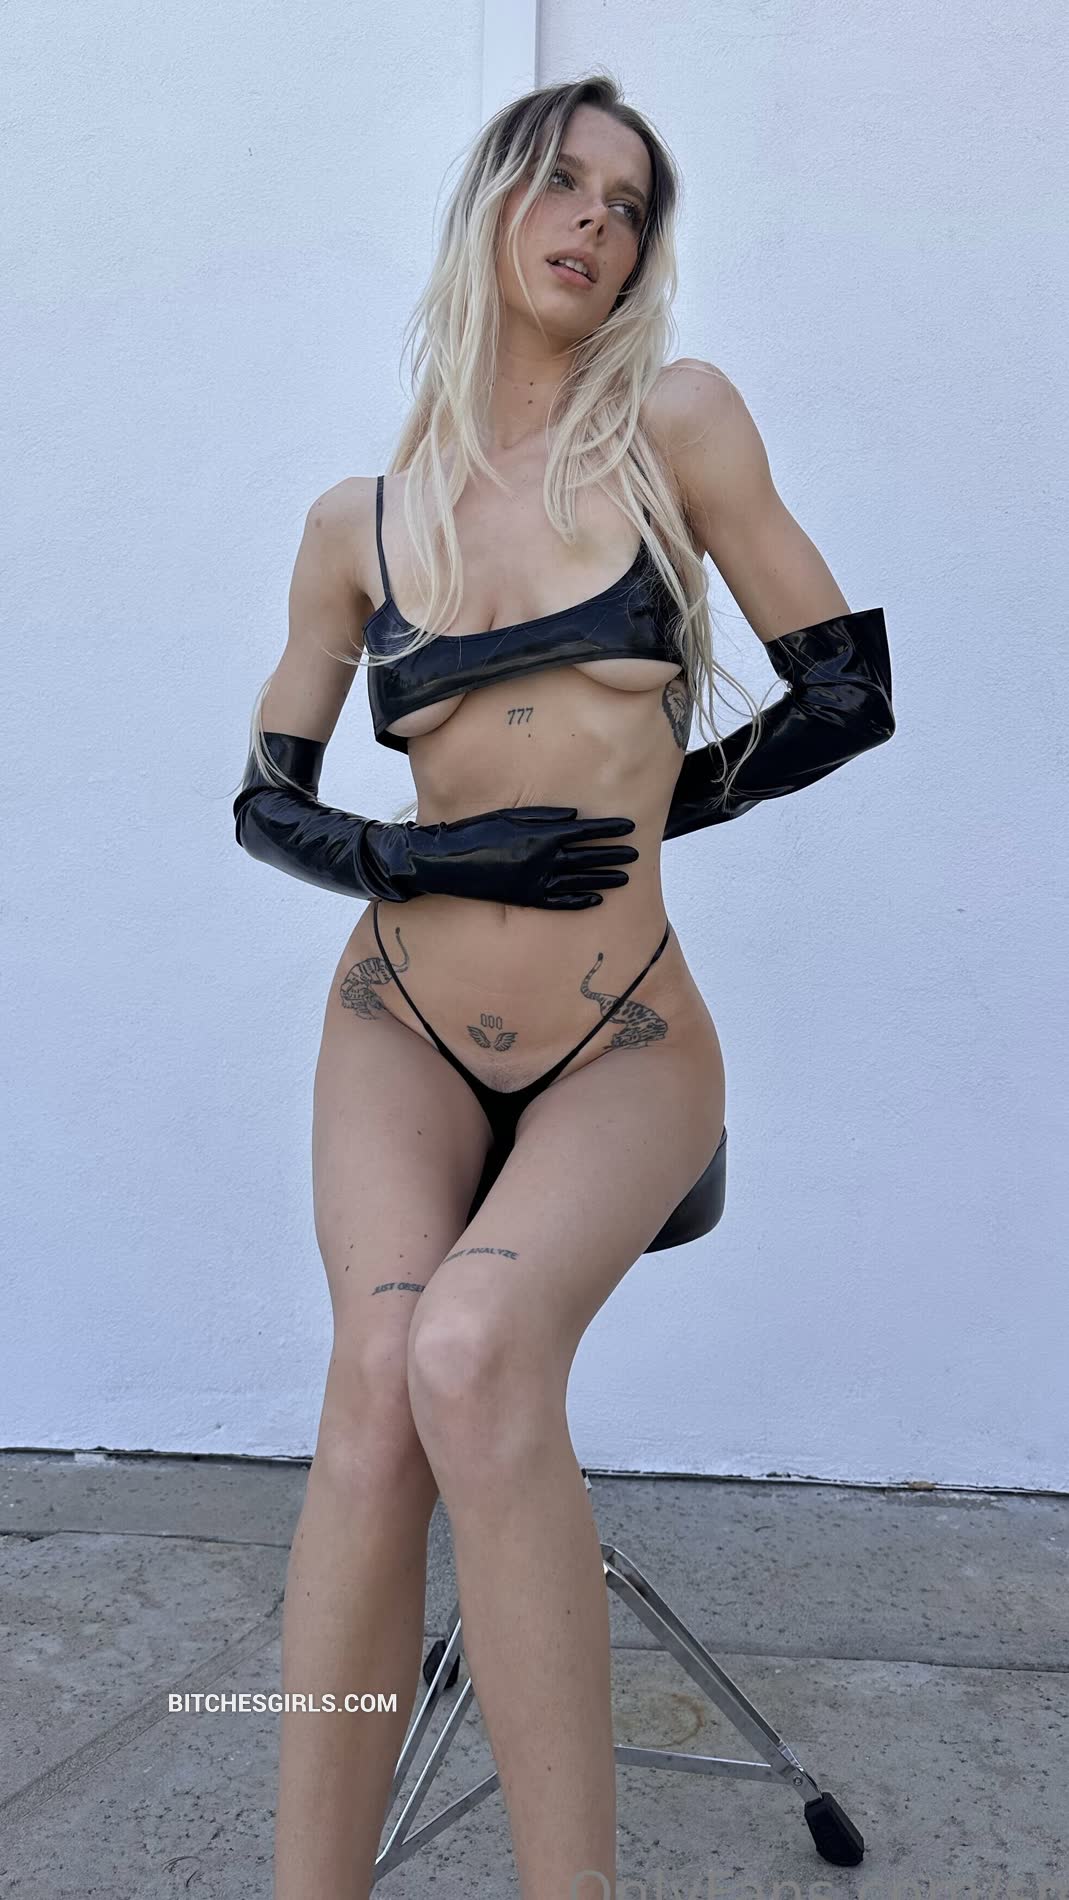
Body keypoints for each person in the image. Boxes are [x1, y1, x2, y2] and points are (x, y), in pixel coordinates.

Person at [232, 76, 895, 1900]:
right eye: (562, 182)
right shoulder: (358, 522)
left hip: (622, 1031)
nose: (594, 220)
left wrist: (656, 806)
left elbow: (848, 692)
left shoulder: (675, 425)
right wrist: (425, 861)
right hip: (397, 1020)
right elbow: (264, 803)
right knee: (378, 1386)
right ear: (490, 205)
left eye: (628, 203)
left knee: (467, 1348)